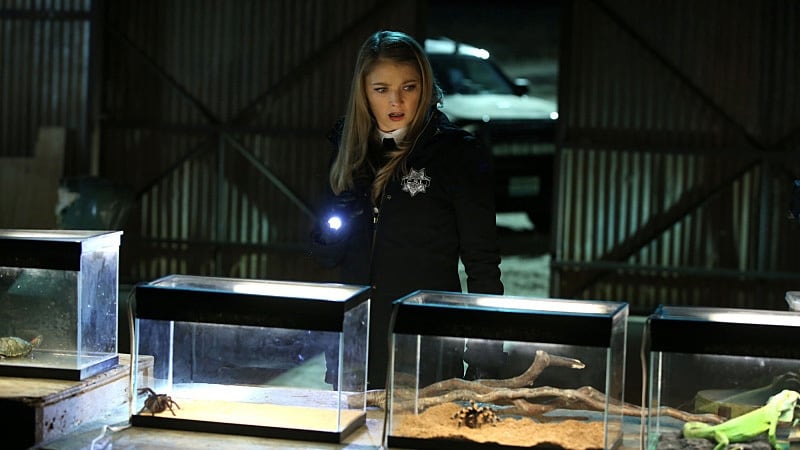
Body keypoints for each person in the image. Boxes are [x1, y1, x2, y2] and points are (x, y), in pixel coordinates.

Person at [311, 30, 505, 390]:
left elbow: (482, 263)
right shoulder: (348, 152)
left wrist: (486, 354)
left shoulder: (456, 153)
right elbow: (324, 255)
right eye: (381, 89)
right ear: (364, 92)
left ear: (425, 87)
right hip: (356, 348)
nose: (395, 101)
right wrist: (335, 223)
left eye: (408, 87)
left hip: (425, 346)